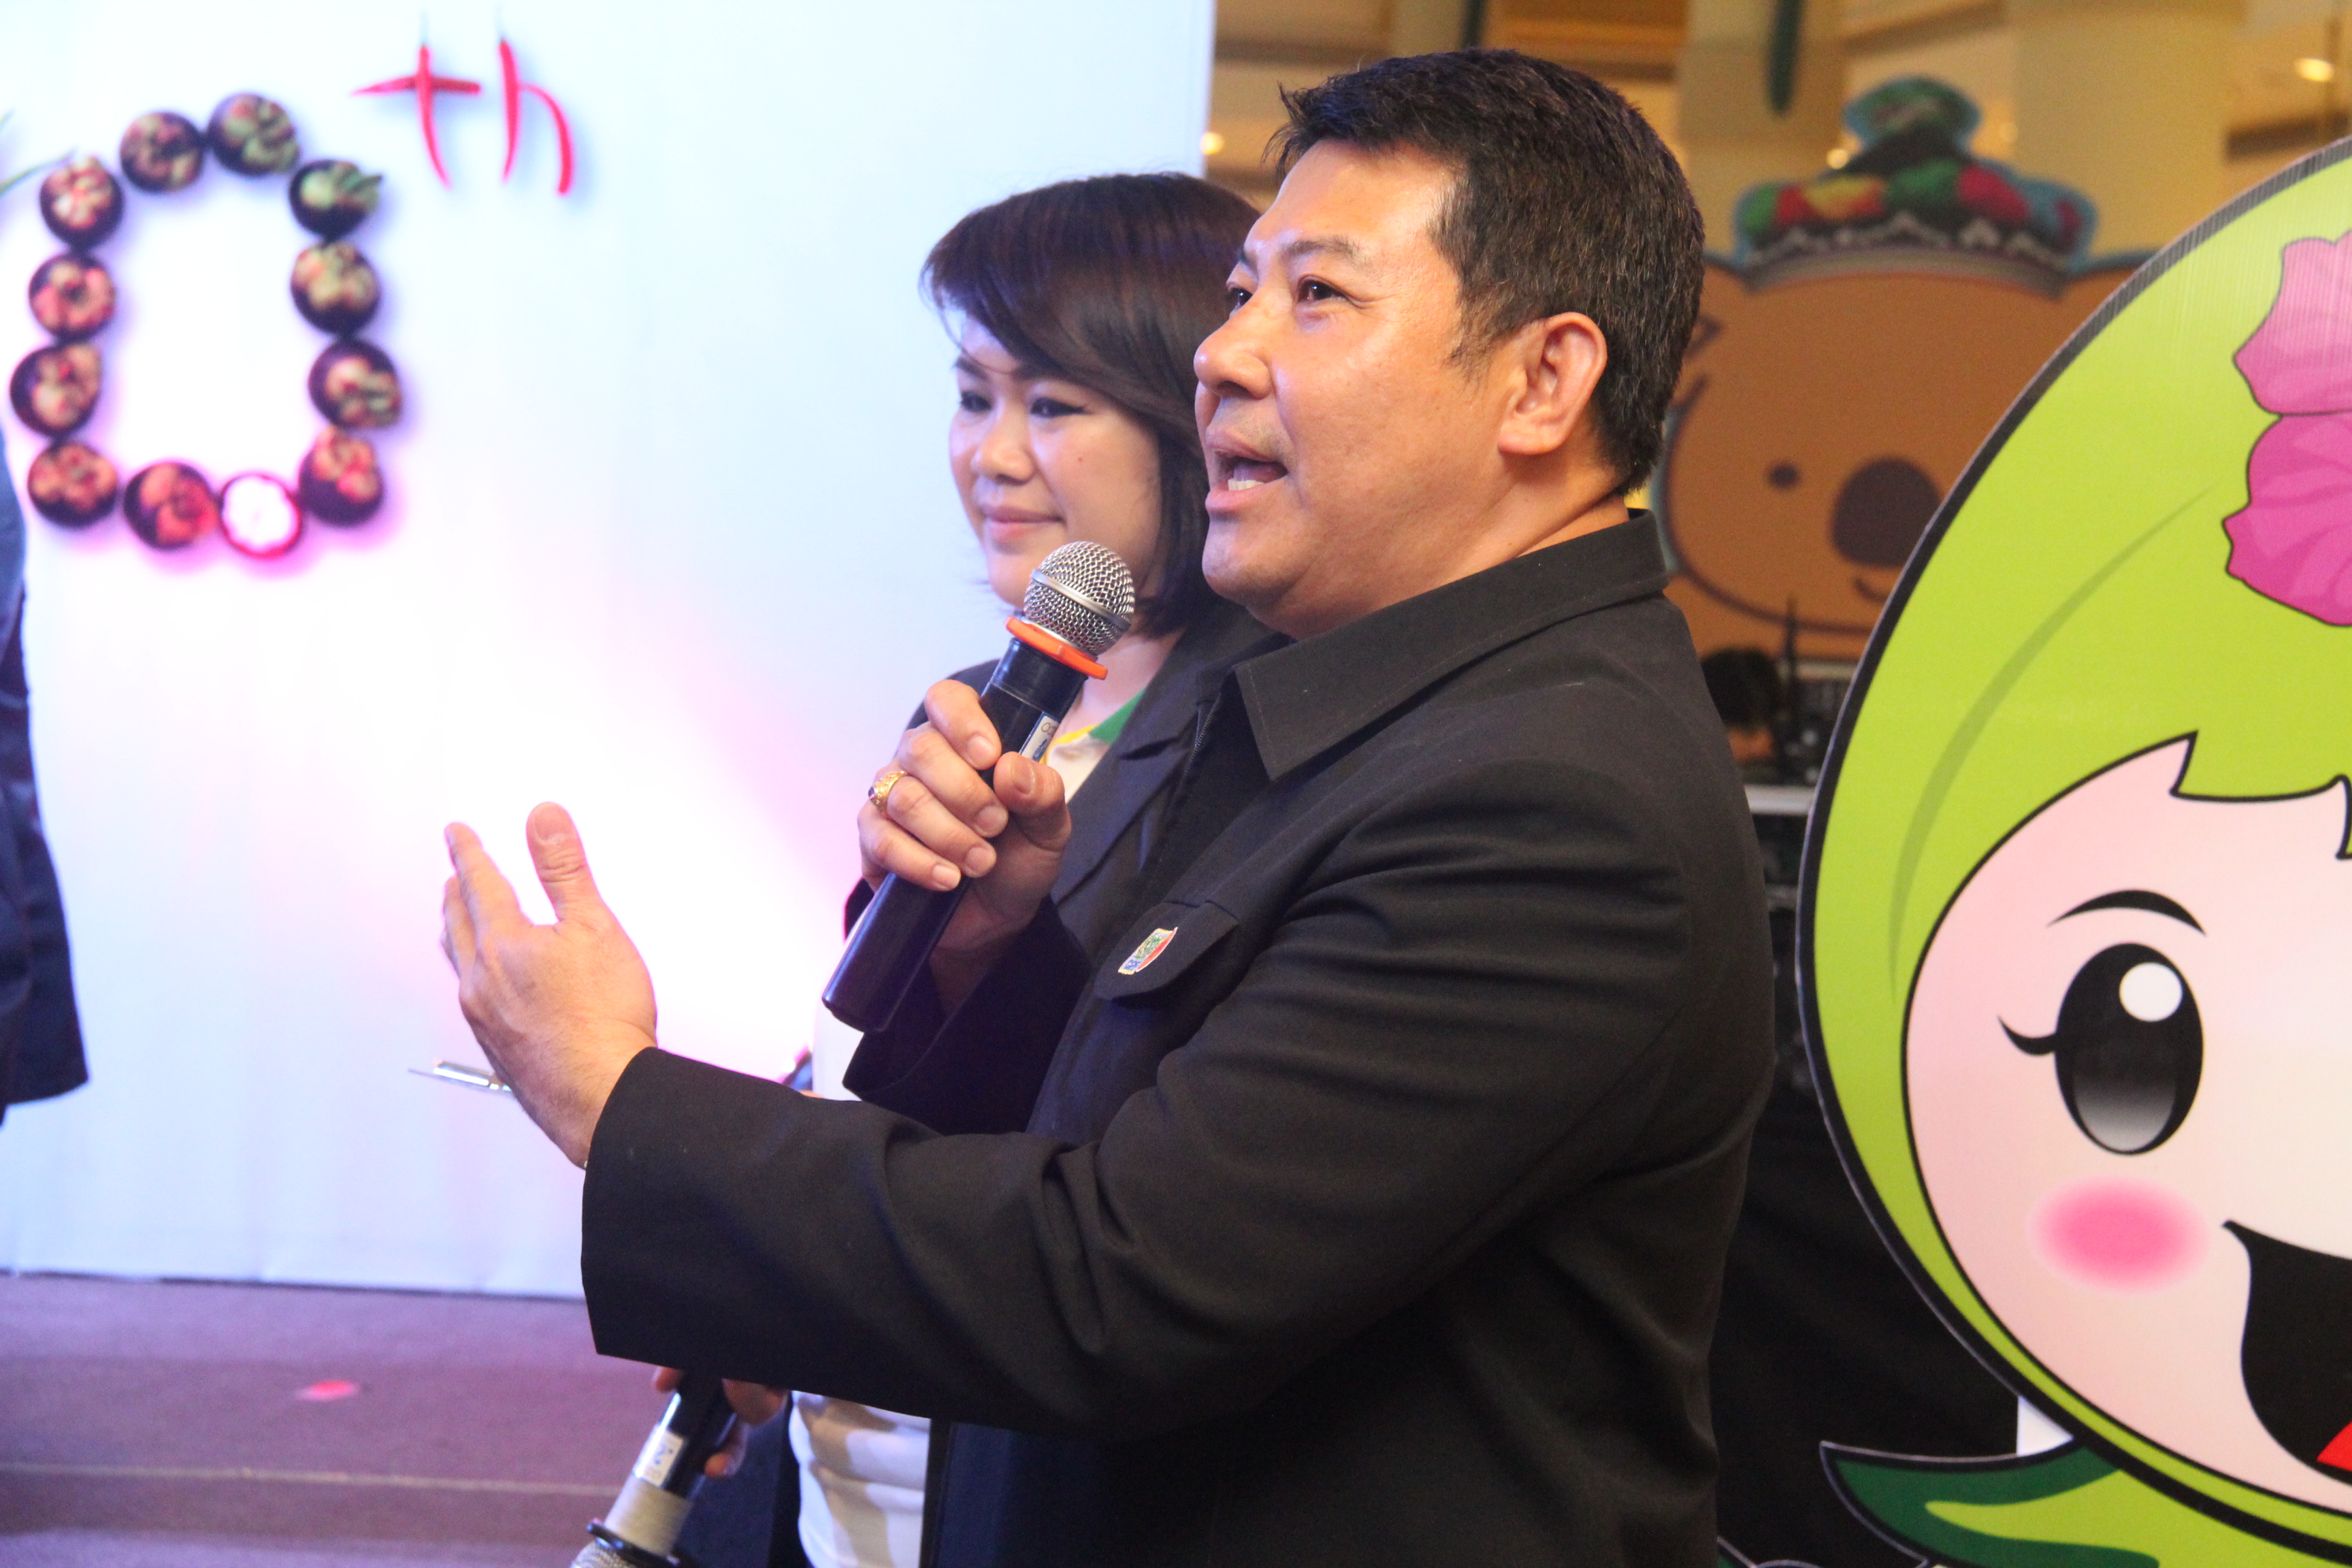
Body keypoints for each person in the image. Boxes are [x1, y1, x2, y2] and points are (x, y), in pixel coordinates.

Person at [442, 49, 1773, 1567]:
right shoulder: (1372, 705)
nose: (1226, 354)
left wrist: (614, 1098)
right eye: (1241, 291)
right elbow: (1143, 1148)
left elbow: (1117, 1289)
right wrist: (987, 963)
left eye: (1316, 297)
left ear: (1543, 381)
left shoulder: (1551, 797)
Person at [674, 172, 1262, 1568]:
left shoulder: (1263, 730)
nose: (990, 456)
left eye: (1050, 405)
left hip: (1043, 1463)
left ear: (1193, 420)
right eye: (971, 396)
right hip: (851, 1431)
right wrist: (768, 1261)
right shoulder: (981, 706)